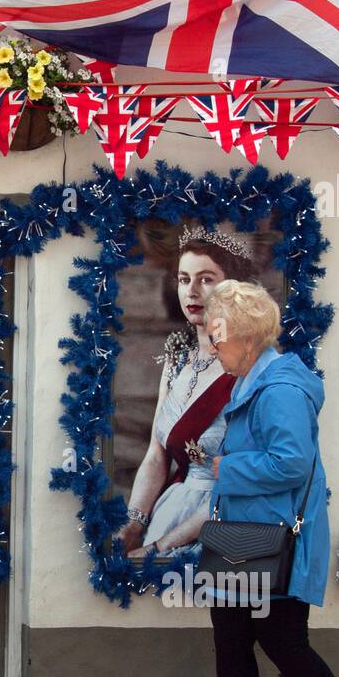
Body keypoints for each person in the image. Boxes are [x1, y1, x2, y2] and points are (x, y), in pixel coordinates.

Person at [173, 279, 339, 677]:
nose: (213, 347)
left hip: (274, 539)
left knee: (285, 643)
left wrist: (225, 467)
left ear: (242, 335)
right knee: (231, 640)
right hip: (244, 534)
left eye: (217, 338)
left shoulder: (280, 387)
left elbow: (290, 462)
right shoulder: (250, 380)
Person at [119, 227, 256, 591]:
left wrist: (162, 546)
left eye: (206, 279)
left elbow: (238, 482)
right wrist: (134, 522)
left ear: (233, 289)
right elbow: (156, 454)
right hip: (171, 508)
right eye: (184, 279)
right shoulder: (178, 357)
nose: (191, 292)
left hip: (218, 520)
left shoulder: (247, 368)